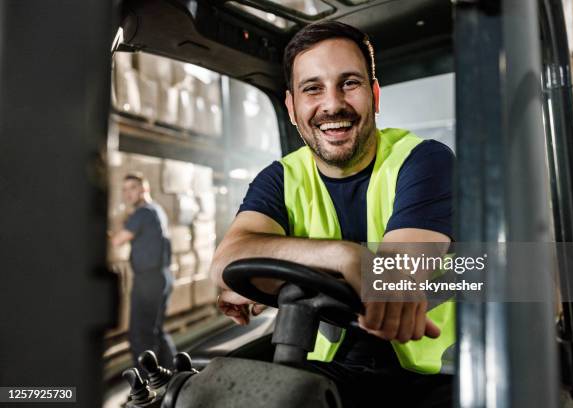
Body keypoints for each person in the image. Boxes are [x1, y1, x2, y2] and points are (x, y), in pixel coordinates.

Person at [210, 21, 455, 407]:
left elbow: (393, 276)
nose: (332, 104)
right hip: (336, 369)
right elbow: (228, 259)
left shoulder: (424, 160)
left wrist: (271, 270)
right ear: (292, 108)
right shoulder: (281, 178)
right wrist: (344, 256)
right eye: (312, 88)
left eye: (350, 83)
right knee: (215, 389)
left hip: (437, 376)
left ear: (374, 95)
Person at [111, 172, 177, 371]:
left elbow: (117, 240)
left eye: (133, 188)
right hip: (162, 277)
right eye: (124, 189)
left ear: (144, 189)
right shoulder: (157, 210)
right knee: (155, 331)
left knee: (140, 335)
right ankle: (173, 377)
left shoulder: (143, 212)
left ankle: (144, 389)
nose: (128, 193)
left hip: (148, 280)